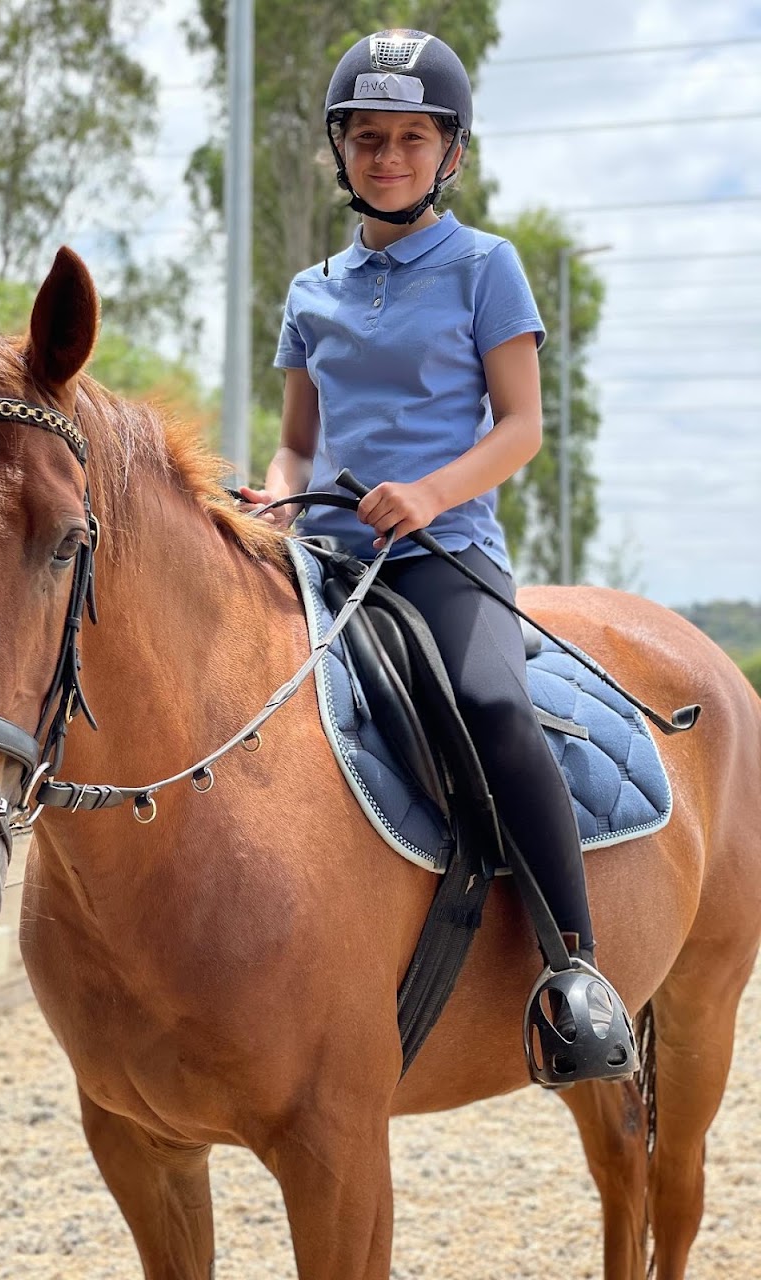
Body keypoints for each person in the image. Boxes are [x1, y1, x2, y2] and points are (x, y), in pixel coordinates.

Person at [240, 29, 637, 1088]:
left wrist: (426, 493)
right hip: (321, 553)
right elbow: (294, 435)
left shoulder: (484, 267)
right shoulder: (310, 289)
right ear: (339, 151)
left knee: (494, 704)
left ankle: (577, 972)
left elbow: (520, 428)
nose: (387, 157)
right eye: (367, 138)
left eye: (411, 138)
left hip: (442, 554)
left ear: (447, 153)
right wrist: (278, 489)